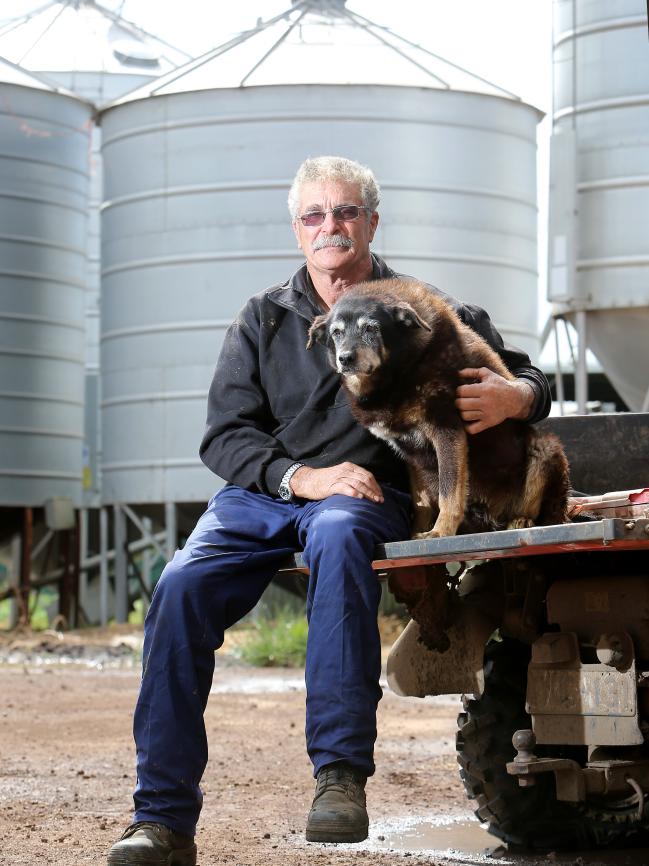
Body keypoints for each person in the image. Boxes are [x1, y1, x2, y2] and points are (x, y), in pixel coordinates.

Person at [107, 155, 551, 866]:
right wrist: (297, 476)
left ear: (371, 222)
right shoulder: (262, 318)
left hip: (363, 498)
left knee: (342, 536)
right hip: (266, 494)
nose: (330, 227)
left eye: (345, 212)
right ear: (297, 230)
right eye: (314, 215)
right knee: (179, 584)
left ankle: (339, 778)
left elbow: (525, 373)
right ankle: (159, 820)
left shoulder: (417, 308)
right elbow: (225, 435)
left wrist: (515, 398)